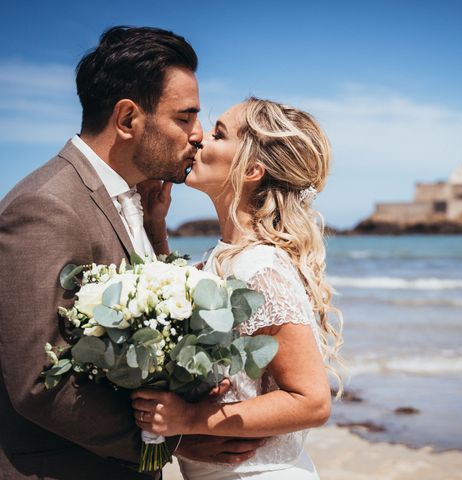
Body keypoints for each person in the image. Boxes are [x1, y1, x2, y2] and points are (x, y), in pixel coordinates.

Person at [0, 26, 262, 480]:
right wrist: (171, 439)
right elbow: (38, 384)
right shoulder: (46, 207)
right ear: (127, 120)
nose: (198, 135)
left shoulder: (132, 201)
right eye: (185, 118)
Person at [131, 98, 344, 479]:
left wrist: (191, 418)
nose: (198, 139)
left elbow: (312, 402)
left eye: (218, 134)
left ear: (251, 170)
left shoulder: (259, 267)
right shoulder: (227, 256)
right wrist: (156, 230)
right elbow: (175, 316)